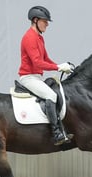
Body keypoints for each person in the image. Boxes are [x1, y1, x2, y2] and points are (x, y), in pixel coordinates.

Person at [18, 6, 73, 146]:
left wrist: (61, 66)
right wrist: (58, 67)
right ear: (35, 20)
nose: (47, 24)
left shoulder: (39, 38)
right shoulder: (29, 37)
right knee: (51, 96)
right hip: (28, 78)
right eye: (45, 21)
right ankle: (56, 133)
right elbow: (37, 62)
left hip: (37, 77)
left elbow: (46, 59)